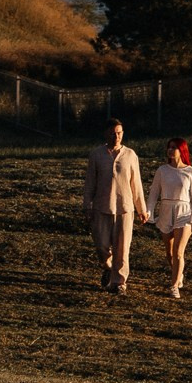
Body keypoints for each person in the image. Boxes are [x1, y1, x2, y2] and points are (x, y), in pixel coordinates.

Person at [80, 119, 145, 292]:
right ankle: (108, 267)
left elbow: (136, 184)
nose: (116, 136)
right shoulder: (96, 155)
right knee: (101, 246)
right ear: (106, 134)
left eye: (119, 133)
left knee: (122, 248)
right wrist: (87, 205)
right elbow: (90, 182)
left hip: (125, 208)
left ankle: (119, 283)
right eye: (113, 133)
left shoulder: (130, 155)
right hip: (101, 207)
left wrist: (142, 209)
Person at [148, 138, 192, 299]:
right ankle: (178, 275)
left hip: (184, 213)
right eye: (169, 147)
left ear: (182, 150)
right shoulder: (162, 170)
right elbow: (154, 193)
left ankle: (174, 286)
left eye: (174, 148)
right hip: (166, 211)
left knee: (178, 252)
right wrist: (148, 212)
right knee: (169, 253)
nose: (170, 150)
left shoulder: (191, 172)